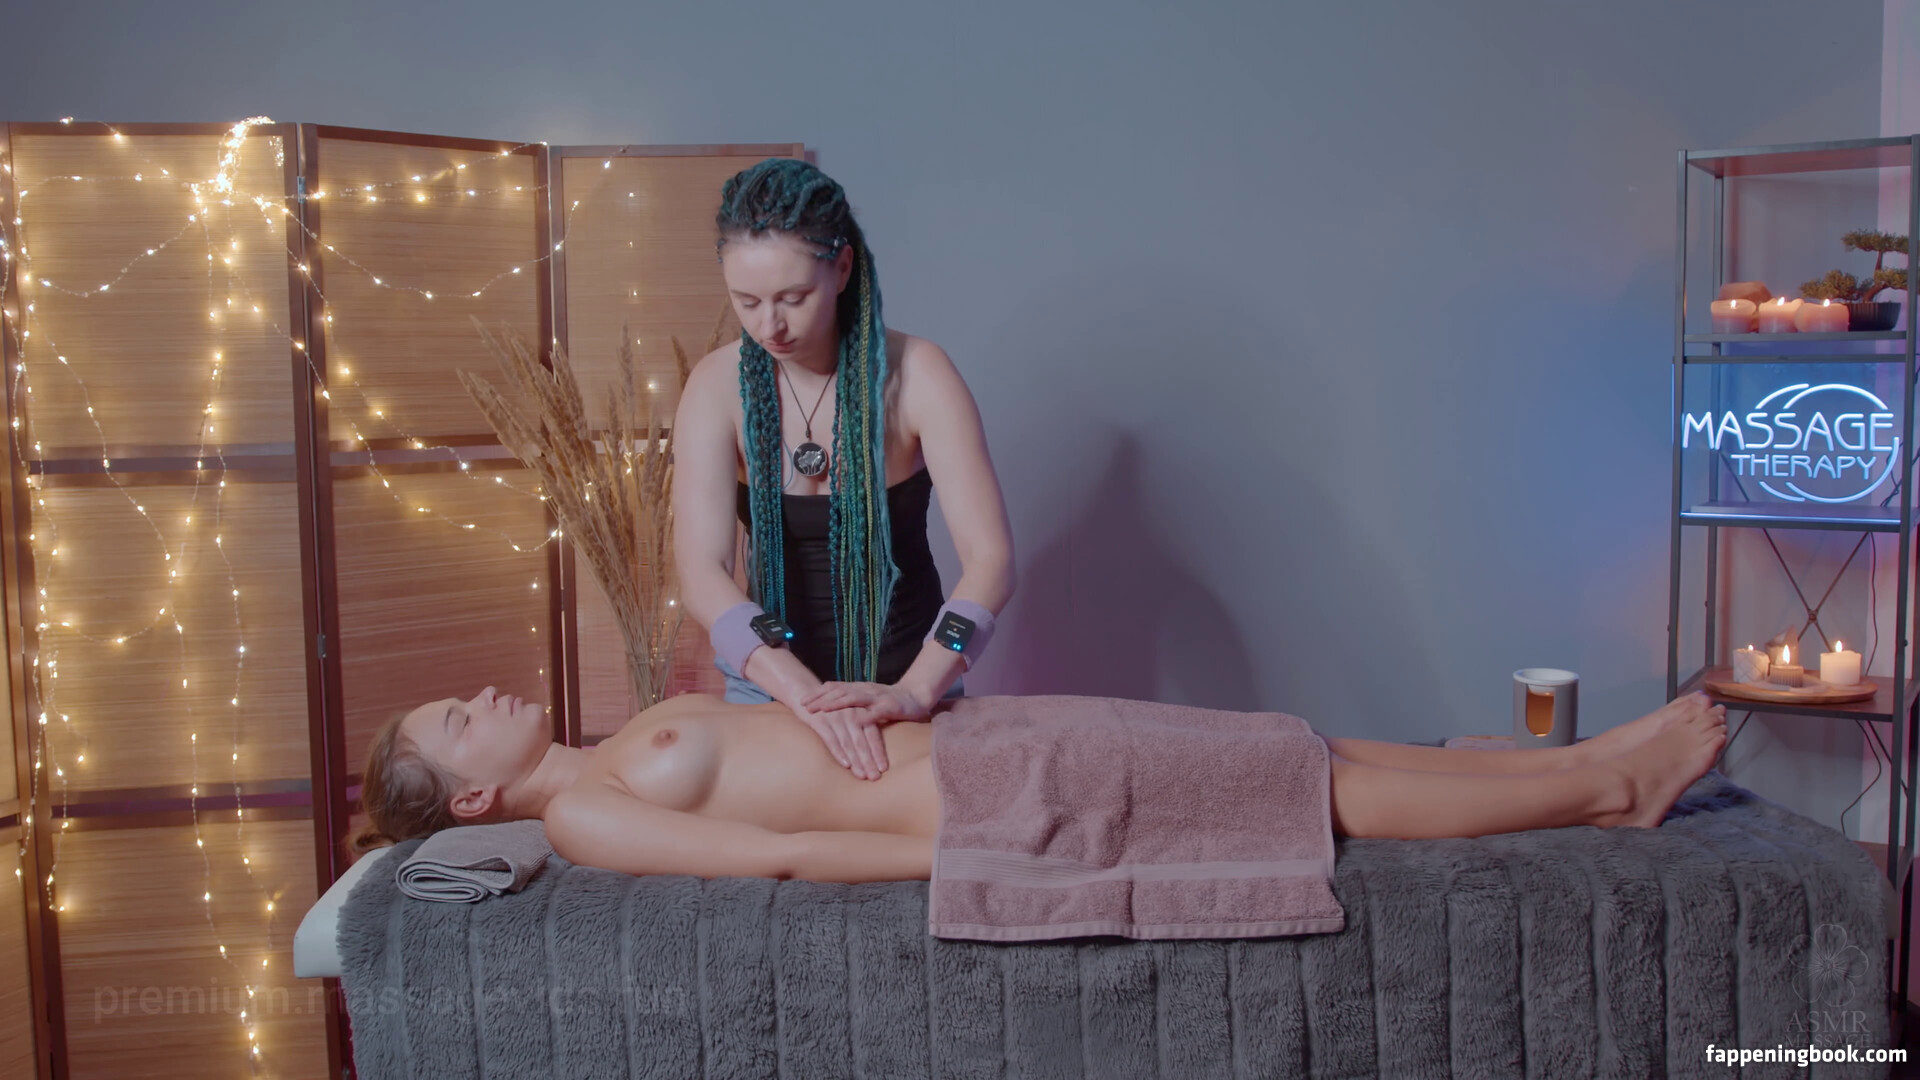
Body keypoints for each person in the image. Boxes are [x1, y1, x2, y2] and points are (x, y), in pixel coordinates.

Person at [346, 686, 1730, 884]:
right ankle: (1611, 794)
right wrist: (958, 858)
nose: (485, 696)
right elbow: (775, 858)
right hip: (991, 803)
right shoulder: (583, 811)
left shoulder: (617, 736)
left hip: (989, 738)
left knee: (1286, 749)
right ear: (469, 800)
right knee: (1302, 794)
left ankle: (1581, 758)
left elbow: (784, 757)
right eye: (461, 721)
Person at [672, 158, 1016, 784]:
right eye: (747, 301)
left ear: (843, 267)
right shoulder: (715, 385)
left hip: (912, 683)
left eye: (793, 298)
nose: (769, 325)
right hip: (770, 686)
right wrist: (801, 694)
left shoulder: (920, 374)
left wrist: (917, 690)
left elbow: (992, 563)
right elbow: (702, 570)